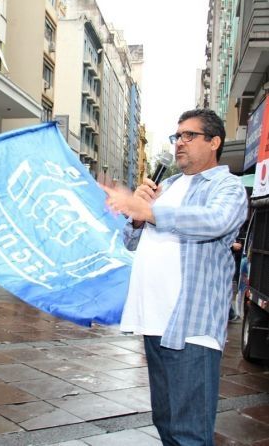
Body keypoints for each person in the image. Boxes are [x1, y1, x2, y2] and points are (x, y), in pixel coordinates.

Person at [103, 109, 248, 445]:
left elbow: (216, 221)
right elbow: (130, 240)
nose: (179, 142)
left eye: (189, 135)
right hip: (153, 322)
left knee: (190, 433)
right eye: (177, 136)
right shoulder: (165, 185)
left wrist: (150, 211)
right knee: (166, 423)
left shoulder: (226, 185)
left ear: (214, 142)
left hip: (191, 327)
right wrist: (137, 216)